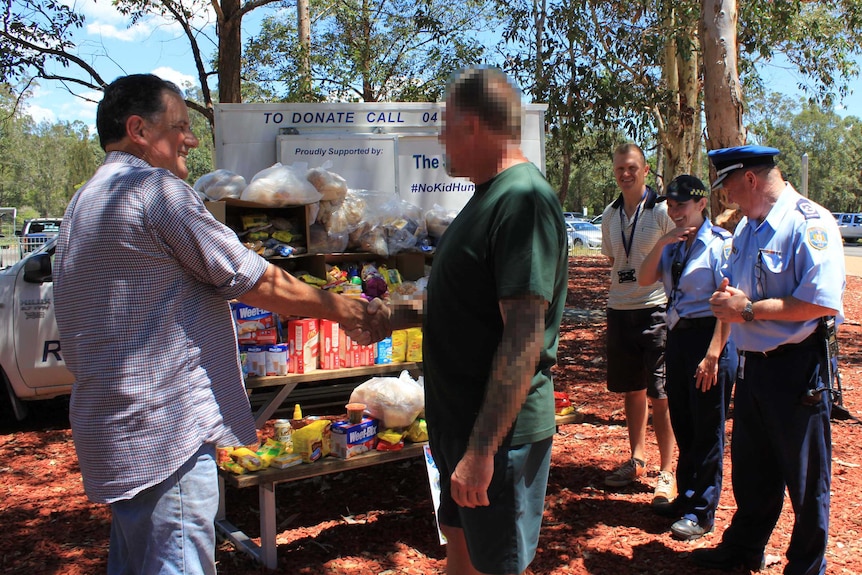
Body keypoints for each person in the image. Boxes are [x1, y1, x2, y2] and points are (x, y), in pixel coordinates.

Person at [52, 74, 390, 575]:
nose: (191, 139)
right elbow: (253, 278)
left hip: (116, 433)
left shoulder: (84, 202)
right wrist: (345, 309)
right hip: (167, 434)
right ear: (138, 129)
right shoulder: (155, 190)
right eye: (181, 126)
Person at [423, 67, 568, 575]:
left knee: (497, 566)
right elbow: (472, 302)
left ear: (472, 124)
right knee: (460, 555)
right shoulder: (488, 197)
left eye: (445, 124)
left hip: (497, 438)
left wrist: (482, 450)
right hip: (461, 426)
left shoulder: (521, 200)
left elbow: (525, 335)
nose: (440, 137)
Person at [698, 145, 844, 574]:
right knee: (753, 469)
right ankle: (744, 548)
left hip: (797, 369)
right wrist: (729, 305)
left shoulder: (808, 223)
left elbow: (820, 303)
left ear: (750, 179)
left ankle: (804, 565)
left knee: (805, 479)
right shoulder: (747, 230)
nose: (724, 194)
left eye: (726, 184)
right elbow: (743, 295)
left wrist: (747, 310)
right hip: (753, 366)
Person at [637, 175, 737, 541]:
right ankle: (688, 496)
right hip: (678, 338)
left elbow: (728, 302)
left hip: (710, 338)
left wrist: (713, 354)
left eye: (682, 205)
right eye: (671, 205)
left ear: (701, 205)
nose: (675, 211)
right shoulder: (674, 246)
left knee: (708, 430)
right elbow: (645, 279)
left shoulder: (720, 245)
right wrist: (663, 240)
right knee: (684, 423)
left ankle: (702, 511)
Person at [599, 143, 677, 506]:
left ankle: (667, 471)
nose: (625, 174)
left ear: (645, 170)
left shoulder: (662, 210)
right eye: (619, 170)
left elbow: (676, 255)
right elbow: (614, 257)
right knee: (632, 391)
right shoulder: (610, 215)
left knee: (660, 395)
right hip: (620, 310)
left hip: (655, 310)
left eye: (632, 168)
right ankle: (637, 459)